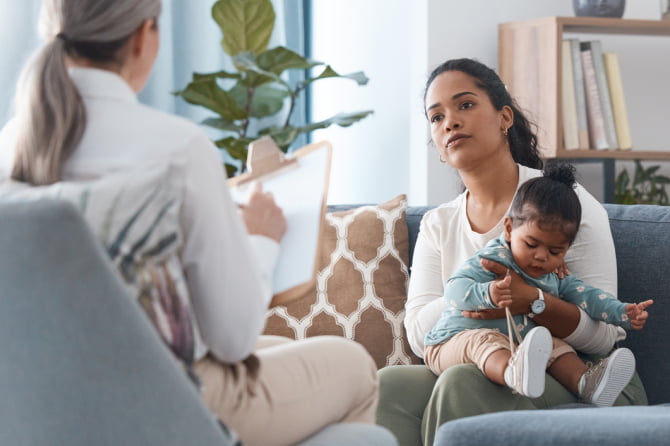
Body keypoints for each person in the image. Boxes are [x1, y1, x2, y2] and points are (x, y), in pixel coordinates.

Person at [0, 2, 382, 446]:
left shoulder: (9, 149)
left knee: (284, 354)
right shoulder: (178, 149)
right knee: (354, 365)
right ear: (144, 36)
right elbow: (233, 341)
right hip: (168, 401)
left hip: (43, 401)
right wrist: (259, 240)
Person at [375, 58, 648, 446]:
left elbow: (604, 337)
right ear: (437, 145)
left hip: (581, 378)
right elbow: (421, 336)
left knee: (462, 380)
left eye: (465, 105)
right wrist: (478, 288)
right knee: (387, 387)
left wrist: (533, 301)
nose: (449, 121)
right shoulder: (440, 224)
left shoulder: (564, 203)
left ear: (505, 118)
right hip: (483, 358)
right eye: (436, 117)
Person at [423, 163, 653, 405]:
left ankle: (586, 383)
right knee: (484, 340)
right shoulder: (494, 258)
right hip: (451, 343)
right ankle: (512, 373)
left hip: (514, 345)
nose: (542, 257)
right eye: (531, 245)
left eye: (555, 251)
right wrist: (488, 293)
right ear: (510, 229)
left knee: (554, 345)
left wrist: (622, 311)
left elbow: (589, 296)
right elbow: (454, 289)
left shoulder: (553, 275)